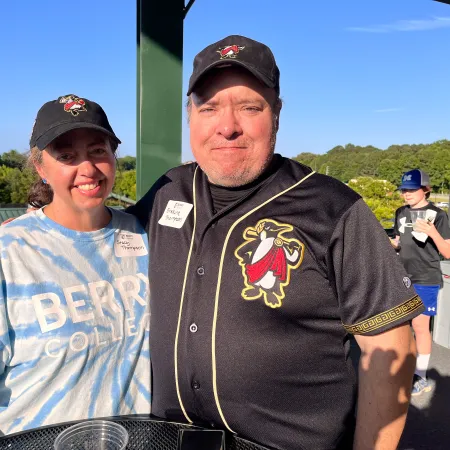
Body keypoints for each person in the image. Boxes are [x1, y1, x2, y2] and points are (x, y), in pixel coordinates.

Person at [128, 35, 424, 450]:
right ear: (189, 114)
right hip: (169, 439)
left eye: (250, 107)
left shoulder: (333, 208)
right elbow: (96, 240)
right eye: (208, 107)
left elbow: (391, 346)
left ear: (278, 113)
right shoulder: (166, 192)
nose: (227, 126)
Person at [0, 95, 151, 435]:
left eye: (98, 151)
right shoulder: (9, 252)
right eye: (66, 156)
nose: (87, 169)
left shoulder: (145, 235)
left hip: (137, 440)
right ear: (41, 168)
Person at [392, 169, 450, 396]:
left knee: (420, 328)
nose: (406, 194)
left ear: (425, 189)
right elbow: (398, 243)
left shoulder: (438, 215)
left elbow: (447, 251)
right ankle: (407, 367)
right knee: (401, 325)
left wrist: (433, 233)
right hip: (402, 277)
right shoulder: (400, 213)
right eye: (404, 190)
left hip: (426, 278)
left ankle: (421, 376)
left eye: (411, 190)